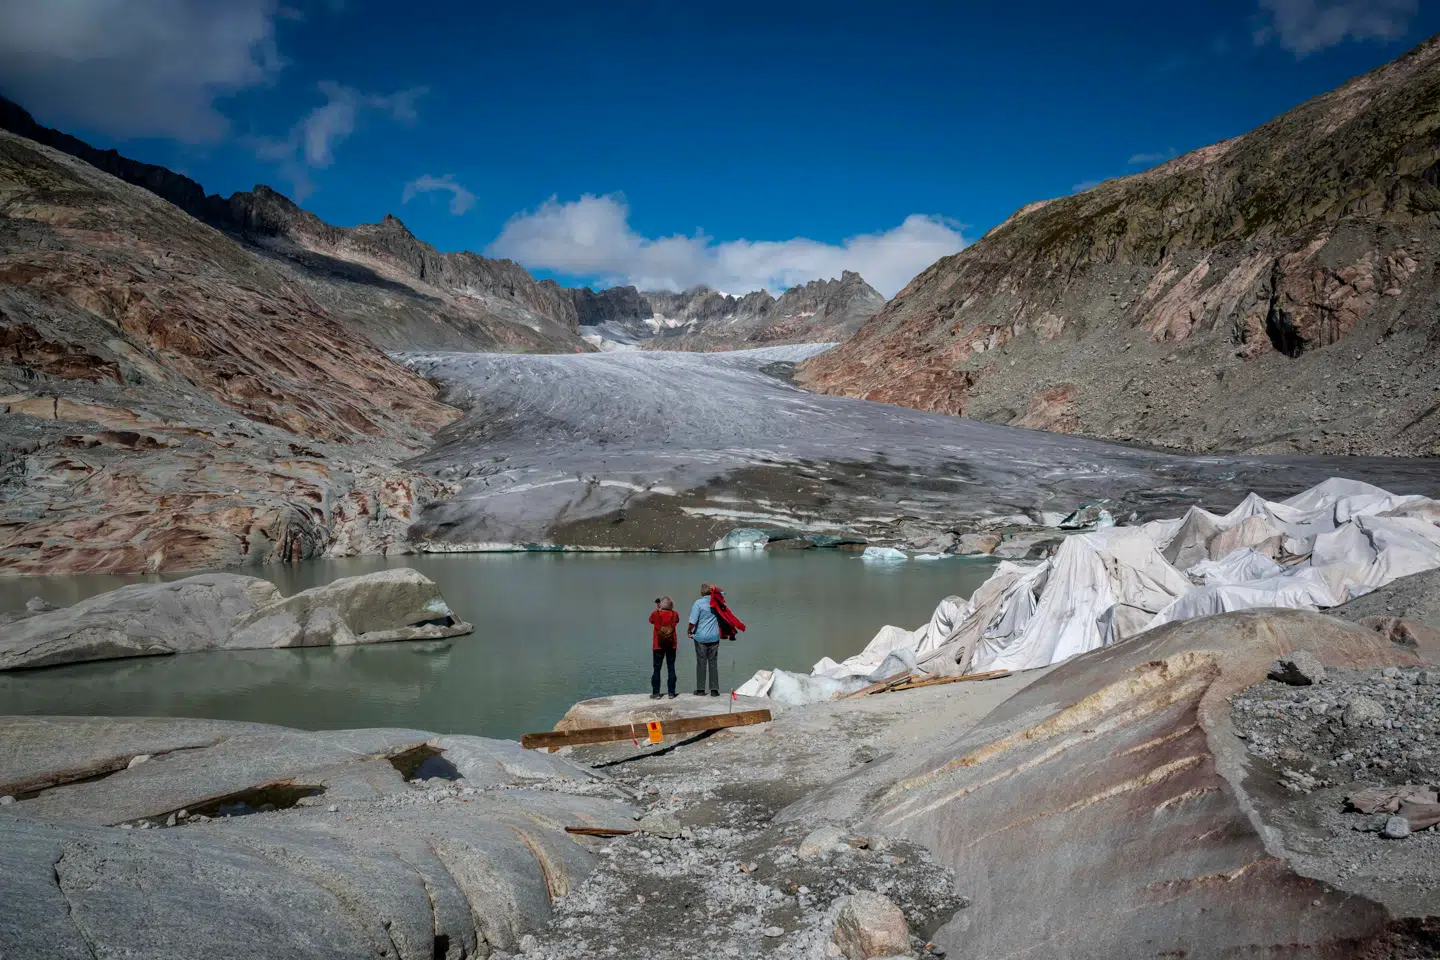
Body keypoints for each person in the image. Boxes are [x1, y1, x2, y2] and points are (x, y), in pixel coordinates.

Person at [688, 583, 723, 696]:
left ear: (701, 592)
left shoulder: (698, 603)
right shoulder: (716, 602)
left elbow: (692, 621)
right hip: (714, 637)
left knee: (701, 663)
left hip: (700, 638)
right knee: (713, 663)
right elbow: (722, 593)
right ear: (712, 591)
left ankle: (701, 689)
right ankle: (714, 690)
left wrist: (689, 631)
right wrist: (715, 588)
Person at [648, 596, 680, 699]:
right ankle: (671, 693)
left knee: (657, 669)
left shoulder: (655, 613)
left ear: (661, 604)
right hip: (671, 644)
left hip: (658, 645)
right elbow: (677, 621)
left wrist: (658, 609)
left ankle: (656, 693)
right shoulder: (674, 614)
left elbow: (651, 620)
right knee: (671, 668)